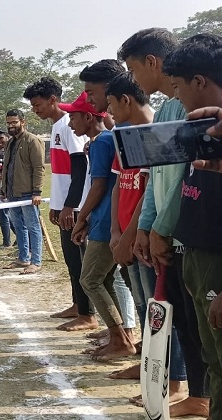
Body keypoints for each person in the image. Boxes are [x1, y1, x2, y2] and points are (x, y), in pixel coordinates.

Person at [115, 31, 198, 410]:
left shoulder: (190, 107)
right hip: (164, 233)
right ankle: (190, 391)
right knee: (178, 317)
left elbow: (182, 178)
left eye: (133, 69)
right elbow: (155, 180)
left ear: (153, 62)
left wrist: (162, 228)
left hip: (184, 233)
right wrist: (147, 226)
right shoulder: (166, 110)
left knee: (194, 323)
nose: (133, 79)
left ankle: (198, 395)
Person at [165, 33, 222, 418]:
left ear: (199, 82)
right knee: (212, 359)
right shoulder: (203, 130)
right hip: (199, 256)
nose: (177, 98)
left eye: (179, 88)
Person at [62, 92, 135, 362]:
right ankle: (120, 335)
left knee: (89, 278)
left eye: (73, 117)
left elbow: (100, 185)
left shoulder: (103, 142)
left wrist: (83, 218)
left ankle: (121, 338)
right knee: (103, 278)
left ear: (89, 117)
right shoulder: (100, 141)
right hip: (104, 219)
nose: (70, 124)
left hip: (107, 221)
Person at [24, 78, 95, 331]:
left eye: (38, 104)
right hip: (65, 204)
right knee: (70, 259)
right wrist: (56, 204)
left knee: (79, 259)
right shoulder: (56, 127)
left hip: (76, 206)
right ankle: (78, 304)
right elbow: (60, 174)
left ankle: (88, 314)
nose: (35, 110)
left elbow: (79, 168)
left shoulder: (69, 125)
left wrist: (70, 206)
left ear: (53, 99)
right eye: (32, 106)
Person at [0, 109, 45, 274]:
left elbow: (39, 168)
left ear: (23, 122)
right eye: (9, 123)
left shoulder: (33, 141)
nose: (11, 126)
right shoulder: (11, 142)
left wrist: (37, 191)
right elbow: (7, 167)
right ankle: (23, 258)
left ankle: (36, 261)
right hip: (12, 193)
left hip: (28, 193)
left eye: (14, 122)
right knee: (19, 226)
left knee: (33, 226)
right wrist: (3, 190)